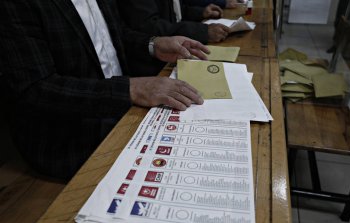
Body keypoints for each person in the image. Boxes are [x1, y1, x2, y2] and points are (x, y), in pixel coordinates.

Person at [0, 0, 209, 181]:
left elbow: (113, 36)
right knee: (184, 160)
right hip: (71, 133)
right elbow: (35, 89)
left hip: (121, 107)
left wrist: (154, 45)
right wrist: (131, 89)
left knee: (200, 136)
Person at [118, 0, 231, 44]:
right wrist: (202, 32)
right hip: (154, 63)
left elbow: (177, 12)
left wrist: (202, 12)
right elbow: (149, 26)